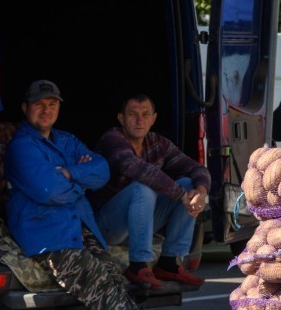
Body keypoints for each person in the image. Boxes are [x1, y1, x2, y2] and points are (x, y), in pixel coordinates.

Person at [4, 80, 201, 310]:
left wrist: (70, 173)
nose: (46, 110)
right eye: (39, 105)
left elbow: (101, 170)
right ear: (25, 108)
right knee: (101, 284)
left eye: (52, 104)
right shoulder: (21, 147)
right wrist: (78, 185)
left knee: (112, 286)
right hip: (50, 236)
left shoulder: (66, 140)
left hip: (83, 227)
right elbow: (48, 190)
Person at [89, 94, 210, 289]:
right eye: (133, 114)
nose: (139, 120)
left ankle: (170, 262)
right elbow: (135, 168)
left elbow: (196, 168)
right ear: (121, 118)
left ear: (153, 119)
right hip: (109, 226)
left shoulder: (158, 143)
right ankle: (138, 266)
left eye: (145, 114)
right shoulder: (112, 139)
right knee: (142, 188)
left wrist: (200, 192)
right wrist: (180, 195)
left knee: (189, 183)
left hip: (140, 225)